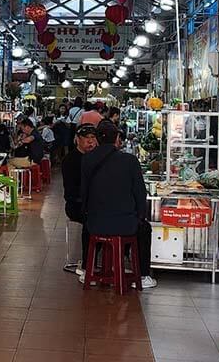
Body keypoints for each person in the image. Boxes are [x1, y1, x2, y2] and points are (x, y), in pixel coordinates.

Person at [81, 120, 156, 289]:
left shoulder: (87, 160)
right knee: (145, 229)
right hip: (126, 225)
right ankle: (143, 275)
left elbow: (84, 193)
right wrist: (140, 217)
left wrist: (87, 215)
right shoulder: (130, 161)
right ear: (117, 139)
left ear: (97, 139)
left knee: (87, 228)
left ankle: (88, 271)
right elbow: (140, 193)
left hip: (95, 224)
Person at [63, 123, 99, 278]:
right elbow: (71, 191)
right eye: (86, 138)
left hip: (96, 204)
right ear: (77, 139)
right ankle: (87, 264)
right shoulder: (70, 160)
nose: (90, 141)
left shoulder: (97, 158)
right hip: (76, 205)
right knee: (91, 220)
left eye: (93, 138)